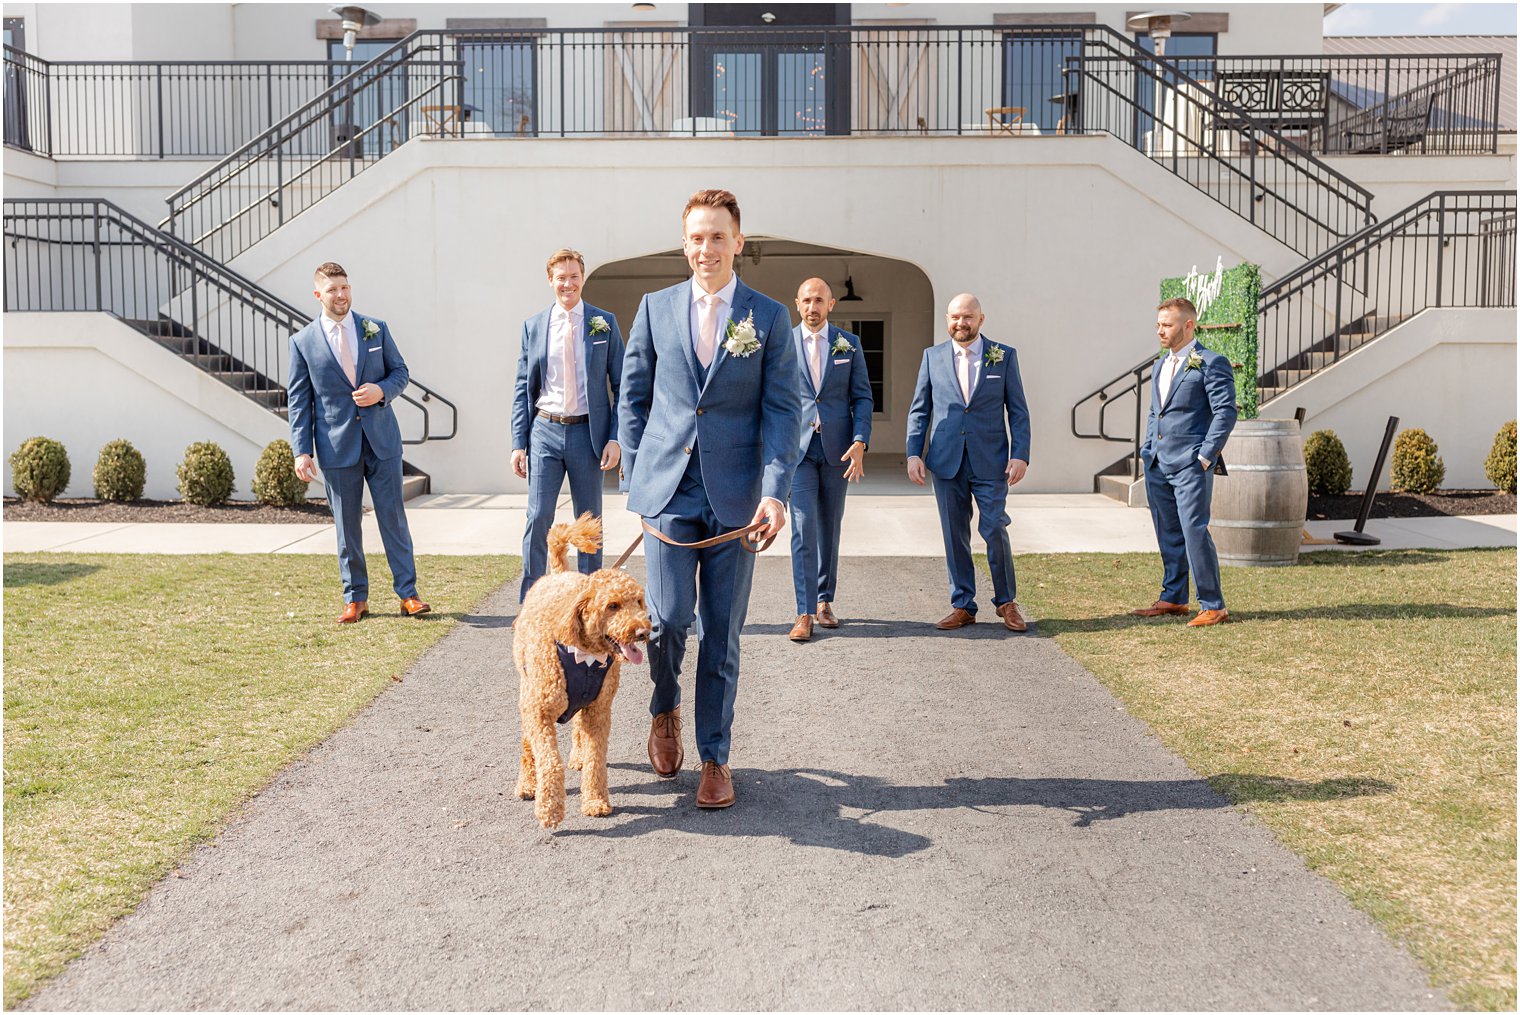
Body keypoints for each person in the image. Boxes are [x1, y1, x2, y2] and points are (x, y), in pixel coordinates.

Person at [618, 188, 802, 809]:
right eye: (696, 237)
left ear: (738, 242)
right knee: (667, 622)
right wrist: (638, 481)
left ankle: (716, 757)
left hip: (737, 499)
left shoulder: (769, 318)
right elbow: (633, 399)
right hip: (668, 492)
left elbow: (783, 412)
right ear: (685, 242)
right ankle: (663, 711)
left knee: (722, 632)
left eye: (717, 236)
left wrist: (775, 494)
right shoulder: (653, 307)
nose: (706, 248)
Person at [288, 262, 430, 623]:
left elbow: (401, 372)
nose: (341, 295)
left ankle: (408, 594)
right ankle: (356, 598)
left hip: (381, 441)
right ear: (318, 295)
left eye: (345, 287)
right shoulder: (303, 343)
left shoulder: (375, 329)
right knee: (346, 525)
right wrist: (301, 450)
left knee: (393, 519)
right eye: (333, 289)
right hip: (336, 447)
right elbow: (299, 401)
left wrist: (381, 390)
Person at [905, 293, 1030, 632]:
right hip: (946, 461)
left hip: (991, 462)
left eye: (968, 317)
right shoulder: (932, 357)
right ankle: (963, 604)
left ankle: (1006, 602)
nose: (961, 323)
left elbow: (1017, 410)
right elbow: (920, 409)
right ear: (948, 319)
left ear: (981, 319)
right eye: (955, 317)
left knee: (994, 527)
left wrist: (1020, 454)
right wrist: (914, 453)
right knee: (953, 534)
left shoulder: (1003, 357)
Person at [510, 248, 625, 600]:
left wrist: (615, 438)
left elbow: (622, 385)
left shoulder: (603, 322)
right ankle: (532, 599)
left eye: (574, 276)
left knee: (588, 522)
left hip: (587, 434)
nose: (568, 284)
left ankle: (592, 601)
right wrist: (518, 443)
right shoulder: (534, 326)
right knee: (538, 517)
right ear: (551, 281)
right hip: (544, 430)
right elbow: (522, 388)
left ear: (583, 278)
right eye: (561, 277)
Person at [1132, 297, 1237, 627]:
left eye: (1167, 324)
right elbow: (1155, 411)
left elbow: (1225, 412)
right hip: (1157, 463)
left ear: (1188, 325)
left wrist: (1206, 456)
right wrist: (1147, 450)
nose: (1160, 330)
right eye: (1158, 324)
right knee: (1168, 532)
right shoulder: (1159, 365)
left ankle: (1213, 604)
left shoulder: (1211, 362)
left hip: (1192, 465)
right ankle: (1174, 598)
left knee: (1194, 531)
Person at [786, 277, 873, 643]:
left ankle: (824, 600)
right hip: (798, 450)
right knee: (803, 527)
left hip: (838, 449)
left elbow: (863, 398)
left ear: (831, 304)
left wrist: (860, 440)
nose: (812, 307)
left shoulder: (848, 345)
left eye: (819, 300)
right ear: (797, 303)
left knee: (829, 528)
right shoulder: (783, 344)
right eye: (806, 300)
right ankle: (804, 611)